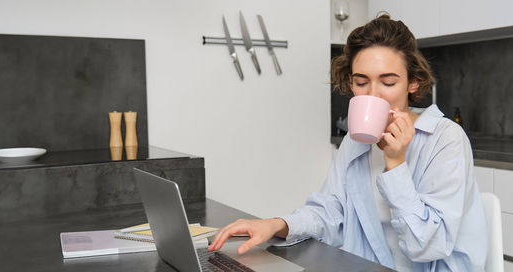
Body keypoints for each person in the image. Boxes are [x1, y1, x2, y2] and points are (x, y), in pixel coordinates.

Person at [209, 14, 487, 272]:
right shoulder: (356, 142)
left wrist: (396, 163)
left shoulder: (445, 138)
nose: (373, 95)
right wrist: (277, 224)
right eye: (361, 82)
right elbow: (331, 211)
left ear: (413, 83)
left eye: (388, 82)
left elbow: (427, 246)